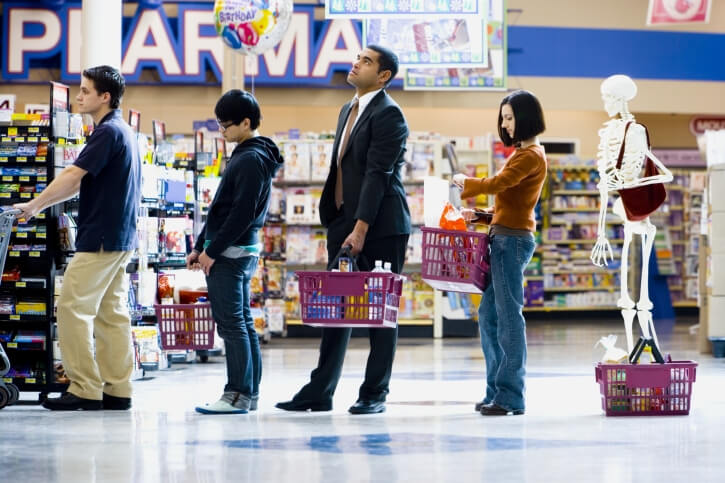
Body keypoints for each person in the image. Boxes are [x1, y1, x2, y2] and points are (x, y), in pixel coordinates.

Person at [276, 44, 411, 415]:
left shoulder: (390, 115)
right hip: (343, 222)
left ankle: (374, 393)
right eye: (357, 57)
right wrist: (341, 221)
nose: (356, 63)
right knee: (335, 309)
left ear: (383, 75)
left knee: (380, 312)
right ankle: (320, 391)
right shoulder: (347, 109)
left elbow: (378, 175)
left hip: (380, 226)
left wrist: (361, 227)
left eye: (366, 61)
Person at [14, 65, 141, 411]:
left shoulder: (106, 132)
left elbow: (72, 176)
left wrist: (34, 205)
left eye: (86, 90)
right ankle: (118, 387)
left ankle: (85, 387)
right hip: (121, 236)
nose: (79, 96)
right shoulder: (123, 130)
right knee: (111, 313)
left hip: (100, 236)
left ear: (105, 97)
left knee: (71, 307)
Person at [452, 89, 547, 416]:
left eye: (510, 117)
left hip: (511, 242)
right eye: (503, 118)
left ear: (527, 117)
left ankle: (510, 396)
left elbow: (500, 184)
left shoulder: (530, 155)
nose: (505, 125)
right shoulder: (525, 153)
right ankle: (496, 391)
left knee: (507, 318)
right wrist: (478, 216)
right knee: (490, 316)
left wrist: (467, 183)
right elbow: (511, 205)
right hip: (504, 236)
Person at [188, 90, 283, 414]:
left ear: (246, 122)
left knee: (231, 325)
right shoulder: (250, 155)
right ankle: (247, 394)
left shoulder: (250, 158)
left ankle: (237, 394)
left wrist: (211, 250)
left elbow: (240, 213)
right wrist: (201, 245)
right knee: (240, 322)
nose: (222, 131)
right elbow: (220, 208)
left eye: (226, 125)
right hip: (237, 249)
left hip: (231, 253)